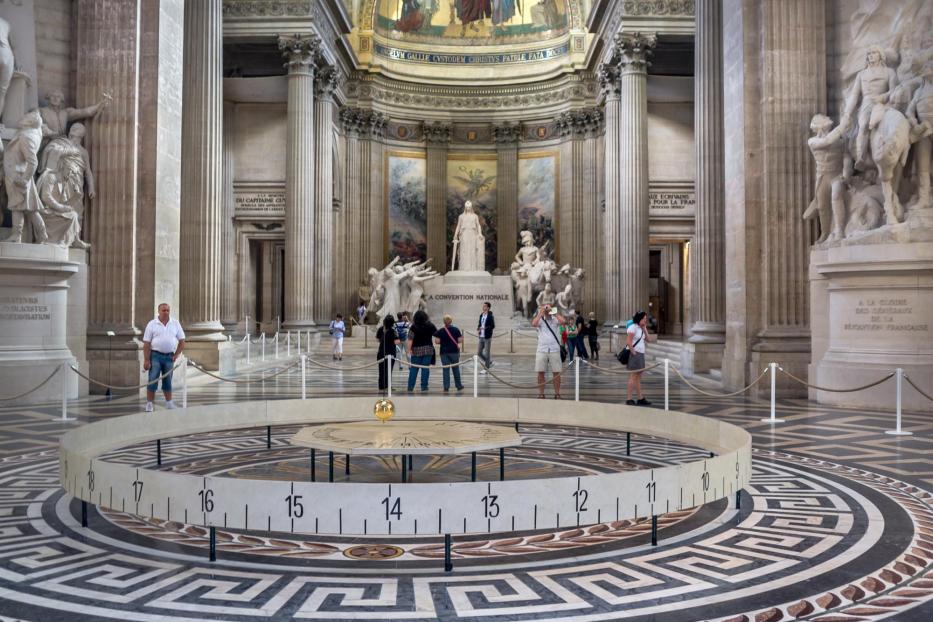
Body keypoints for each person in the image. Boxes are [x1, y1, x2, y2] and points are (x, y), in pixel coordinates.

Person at [142, 303, 186, 413]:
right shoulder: (152, 324)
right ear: (159, 311)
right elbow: (146, 343)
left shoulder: (175, 323)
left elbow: (182, 340)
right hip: (155, 356)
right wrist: (147, 359)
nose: (166, 312)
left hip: (169, 357)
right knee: (153, 379)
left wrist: (176, 354)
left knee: (168, 380)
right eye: (164, 310)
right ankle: (149, 403)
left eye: (168, 310)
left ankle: (169, 402)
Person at [532, 303, 565, 399]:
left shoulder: (555, 319)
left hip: (554, 349)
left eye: (548, 307)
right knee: (540, 372)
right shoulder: (540, 320)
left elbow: (563, 321)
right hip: (542, 349)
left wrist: (554, 312)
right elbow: (533, 324)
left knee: (556, 372)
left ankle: (557, 393)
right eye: (545, 308)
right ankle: (541, 393)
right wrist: (540, 313)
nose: (547, 310)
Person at [625, 310, 655, 406]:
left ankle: (640, 398)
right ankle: (629, 398)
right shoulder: (632, 327)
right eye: (644, 319)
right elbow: (628, 341)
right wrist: (634, 353)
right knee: (633, 377)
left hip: (641, 354)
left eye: (646, 319)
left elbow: (649, 339)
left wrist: (645, 329)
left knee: (638, 378)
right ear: (639, 318)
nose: (645, 320)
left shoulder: (641, 328)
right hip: (635, 354)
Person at [407, 310, 437, 392]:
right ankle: (424, 387)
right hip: (428, 349)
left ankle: (410, 387)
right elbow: (437, 335)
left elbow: (410, 339)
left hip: (416, 350)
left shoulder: (413, 327)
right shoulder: (430, 325)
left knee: (414, 369)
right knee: (425, 369)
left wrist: (409, 350)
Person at [434, 314, 465, 392]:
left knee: (445, 369)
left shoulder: (441, 330)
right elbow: (460, 340)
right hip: (454, 351)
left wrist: (444, 340)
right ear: (451, 321)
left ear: (444, 322)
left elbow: (437, 341)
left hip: (444, 352)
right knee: (456, 369)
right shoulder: (456, 329)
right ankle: (459, 386)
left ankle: (446, 387)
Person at [376, 315, 399, 394]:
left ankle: (381, 386)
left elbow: (377, 339)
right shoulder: (393, 331)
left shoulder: (380, 329)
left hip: (381, 352)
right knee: (389, 370)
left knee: (381, 370)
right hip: (390, 353)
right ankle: (388, 386)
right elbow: (397, 342)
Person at [476, 301, 495, 372]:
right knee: (479, 353)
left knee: (487, 353)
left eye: (485, 306)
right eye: (483, 306)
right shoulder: (481, 315)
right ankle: (489, 362)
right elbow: (479, 324)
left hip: (487, 337)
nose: (483, 307)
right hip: (481, 336)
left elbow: (492, 326)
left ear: (488, 308)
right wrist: (478, 328)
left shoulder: (490, 316)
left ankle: (486, 368)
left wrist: (485, 328)